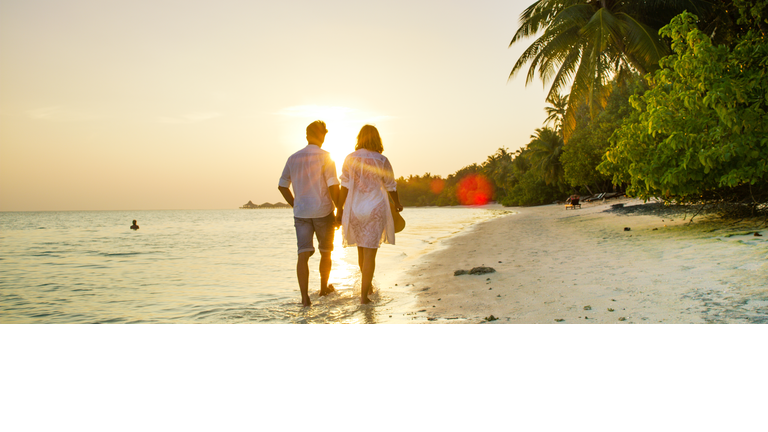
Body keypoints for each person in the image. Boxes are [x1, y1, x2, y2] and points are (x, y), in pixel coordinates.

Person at [336, 125, 403, 304]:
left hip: (355, 209)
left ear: (360, 138)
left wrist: (339, 209)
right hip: (375, 209)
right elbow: (390, 185)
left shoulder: (350, 158)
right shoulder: (381, 160)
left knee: (361, 250)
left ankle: (368, 288)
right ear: (377, 139)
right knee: (370, 255)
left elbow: (344, 186)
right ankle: (364, 297)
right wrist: (397, 203)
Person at [278, 120, 340, 307]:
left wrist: (295, 204)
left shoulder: (293, 158)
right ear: (323, 135)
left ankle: (305, 299)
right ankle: (323, 289)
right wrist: (340, 209)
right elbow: (333, 186)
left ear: (307, 135)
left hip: (302, 213)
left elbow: (282, 186)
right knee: (325, 253)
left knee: (302, 255)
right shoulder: (326, 157)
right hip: (323, 211)